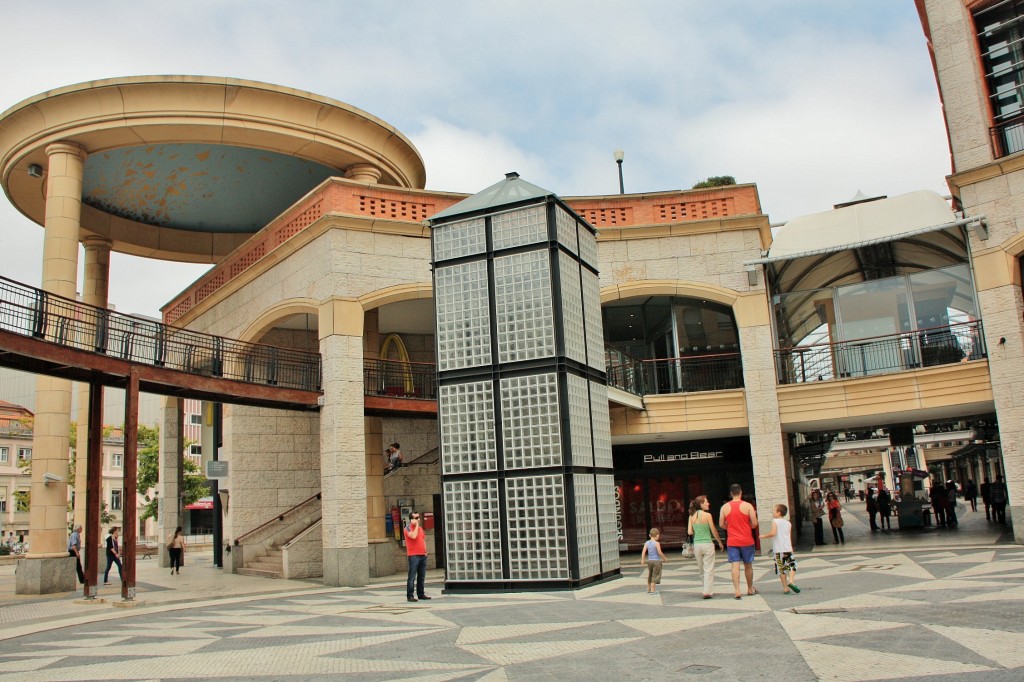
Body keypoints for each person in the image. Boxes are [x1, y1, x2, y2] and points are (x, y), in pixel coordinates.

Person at [719, 483, 759, 600]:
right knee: (748, 565)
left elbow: (721, 524)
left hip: (732, 541)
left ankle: (737, 590)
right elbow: (755, 523)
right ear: (741, 493)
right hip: (747, 540)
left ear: (731, 494)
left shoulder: (725, 507)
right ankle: (750, 588)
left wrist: (730, 527)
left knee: (735, 565)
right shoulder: (748, 506)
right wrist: (748, 526)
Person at [687, 496, 723, 599]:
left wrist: (696, 530)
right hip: (707, 543)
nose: (708, 503)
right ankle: (707, 591)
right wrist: (719, 542)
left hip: (697, 544)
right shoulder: (708, 515)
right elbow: (713, 530)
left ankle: (704, 588)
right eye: (706, 502)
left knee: (701, 568)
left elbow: (689, 532)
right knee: (709, 568)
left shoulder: (691, 516)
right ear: (701, 504)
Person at [760, 504, 800, 595]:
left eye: (774, 511)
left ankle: (785, 587)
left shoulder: (775, 521)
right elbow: (788, 536)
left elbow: (773, 533)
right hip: (787, 548)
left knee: (781, 568)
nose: (773, 513)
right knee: (792, 565)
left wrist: (764, 536)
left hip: (778, 549)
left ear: (779, 513)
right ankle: (791, 580)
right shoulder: (788, 523)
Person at [404, 511, 431, 602]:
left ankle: (421, 594)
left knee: (421, 576)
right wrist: (415, 526)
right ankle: (410, 595)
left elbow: (422, 539)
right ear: (411, 519)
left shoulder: (420, 528)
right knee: (412, 576)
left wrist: (425, 551)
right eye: (415, 518)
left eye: (418, 517)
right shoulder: (407, 528)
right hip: (413, 555)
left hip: (422, 554)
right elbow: (413, 536)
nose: (418, 520)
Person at [639, 528, 666, 594]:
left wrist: (642, 560)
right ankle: (653, 590)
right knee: (655, 575)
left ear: (649, 535)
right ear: (657, 535)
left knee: (650, 575)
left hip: (649, 561)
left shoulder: (647, 543)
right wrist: (664, 558)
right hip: (656, 561)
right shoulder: (657, 543)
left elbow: (643, 551)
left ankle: (648, 588)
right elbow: (659, 552)